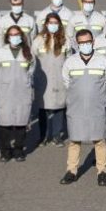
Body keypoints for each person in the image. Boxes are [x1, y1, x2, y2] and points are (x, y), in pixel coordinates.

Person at [60, 29, 106, 187]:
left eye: (88, 42)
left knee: (99, 140)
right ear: (77, 44)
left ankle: (102, 172)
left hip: (96, 107)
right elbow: (67, 82)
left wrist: (99, 95)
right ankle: (72, 171)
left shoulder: (103, 61)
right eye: (82, 42)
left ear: (93, 42)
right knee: (74, 140)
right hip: (76, 108)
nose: (85, 45)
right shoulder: (70, 62)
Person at [0, 25, 36, 162]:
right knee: (4, 123)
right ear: (7, 37)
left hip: (22, 92)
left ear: (21, 36)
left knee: (20, 123)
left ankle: (18, 150)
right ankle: (5, 151)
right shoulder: (0, 53)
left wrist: (24, 81)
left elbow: (31, 71)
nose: (14, 37)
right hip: (4, 92)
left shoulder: (28, 53)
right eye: (11, 35)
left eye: (17, 34)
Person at [34, 13, 71, 147]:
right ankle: (43, 136)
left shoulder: (65, 39)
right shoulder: (39, 39)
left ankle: (57, 136)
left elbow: (69, 59)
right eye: (51, 23)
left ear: (59, 24)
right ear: (46, 24)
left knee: (59, 107)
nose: (53, 25)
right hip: (43, 80)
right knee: (43, 108)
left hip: (60, 79)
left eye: (56, 23)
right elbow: (33, 58)